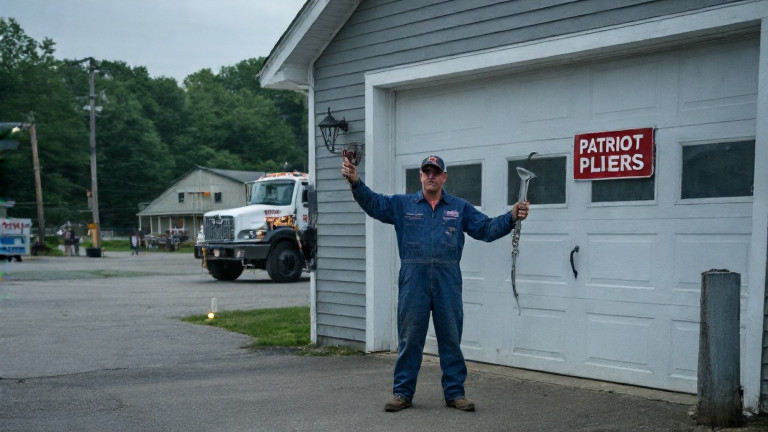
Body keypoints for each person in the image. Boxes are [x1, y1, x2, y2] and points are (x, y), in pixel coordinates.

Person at [341, 155, 530, 413]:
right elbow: (374, 204)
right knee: (410, 339)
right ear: (420, 176)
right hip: (413, 280)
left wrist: (511, 216)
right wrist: (355, 183)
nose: (431, 175)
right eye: (426, 171)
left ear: (444, 177)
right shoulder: (403, 204)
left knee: (450, 339)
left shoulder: (459, 208)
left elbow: (485, 228)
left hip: (447, 281)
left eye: (436, 172)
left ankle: (455, 393)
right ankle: (402, 393)